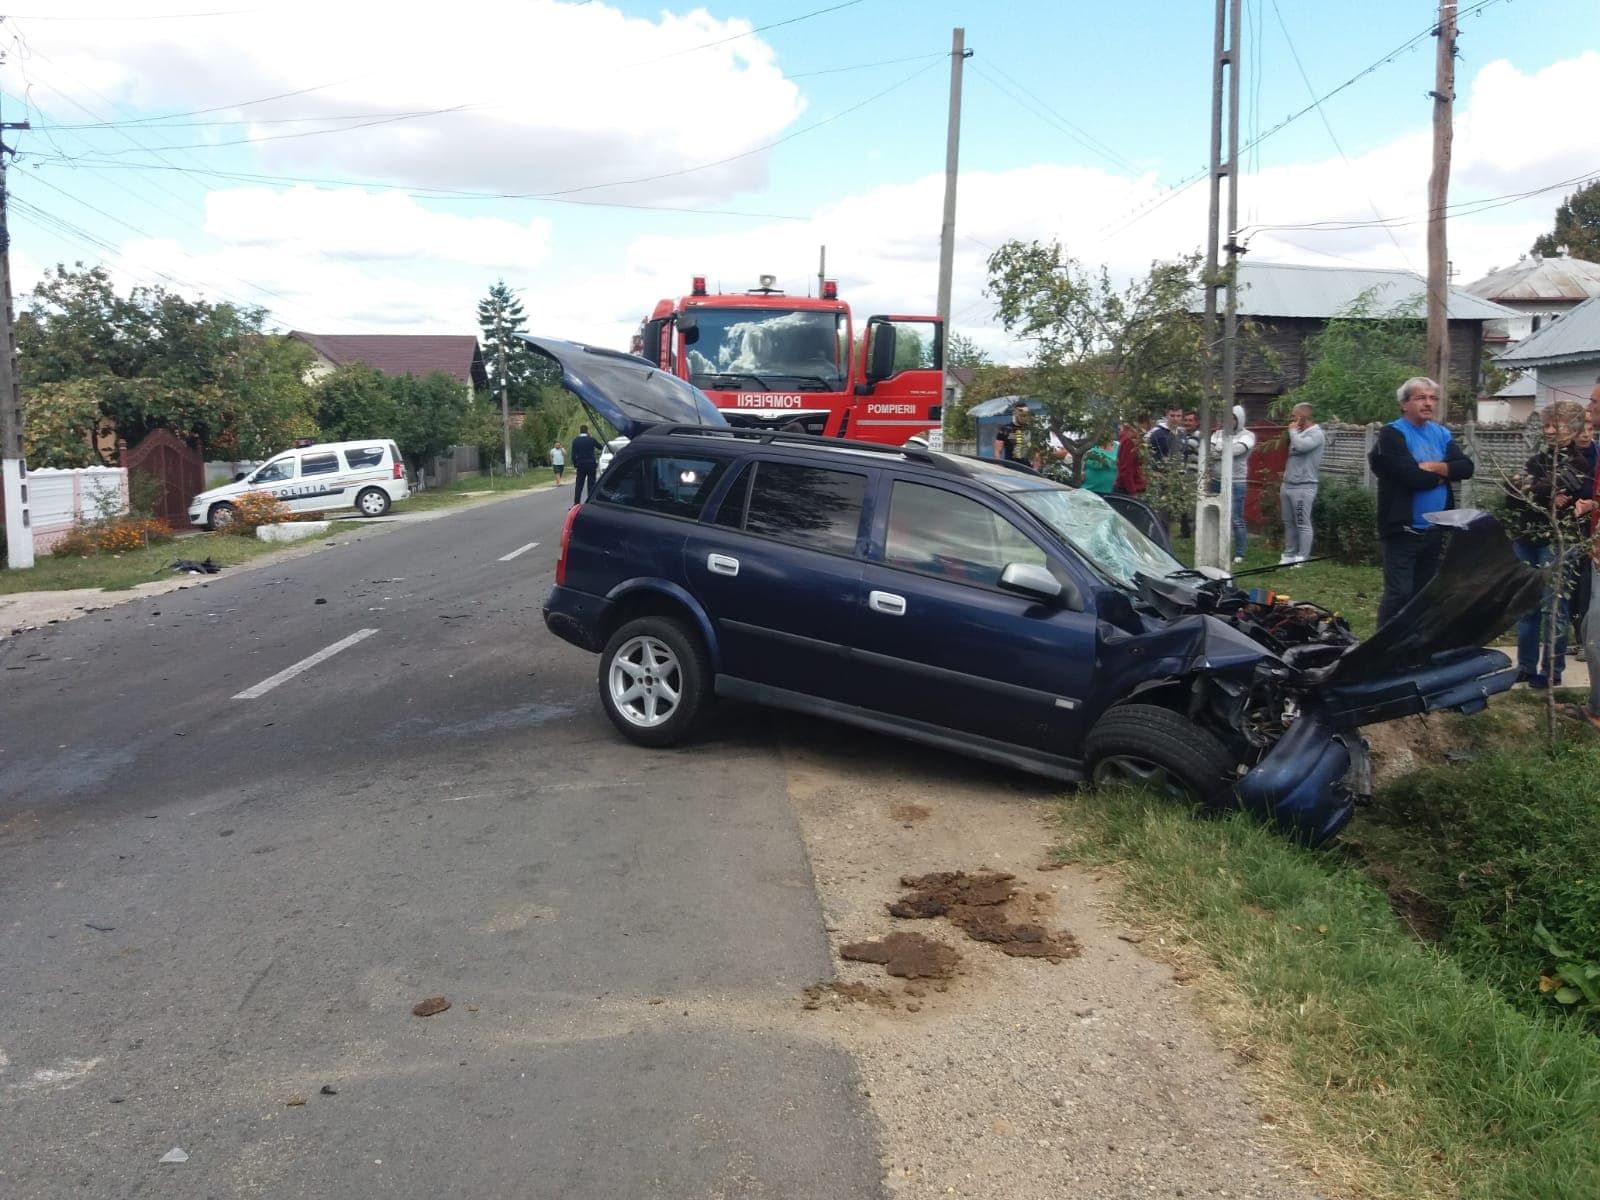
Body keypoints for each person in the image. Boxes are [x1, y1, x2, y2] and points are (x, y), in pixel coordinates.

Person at [1369, 376, 1475, 628]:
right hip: (1403, 531)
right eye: (1421, 398)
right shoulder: (1392, 434)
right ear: (1404, 404)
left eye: (1432, 398)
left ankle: (1412, 647)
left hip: (1434, 530)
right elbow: (1412, 477)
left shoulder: (1441, 433)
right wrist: (1444, 474)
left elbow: (1466, 467)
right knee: (1399, 594)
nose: (1428, 403)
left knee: (1423, 595)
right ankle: (1380, 649)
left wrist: (1435, 467)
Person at [1505, 401, 1592, 688]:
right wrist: (1541, 490)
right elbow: (1510, 495)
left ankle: (1551, 671)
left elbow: (1540, 488)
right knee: (1527, 606)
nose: (1550, 431)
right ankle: (1526, 666)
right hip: (1526, 538)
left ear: (1573, 428)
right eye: (1546, 426)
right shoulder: (1536, 459)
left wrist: (1530, 487)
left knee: (1553, 607)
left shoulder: (1579, 463)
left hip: (1557, 541)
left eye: (1557, 425)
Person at [1208, 404, 1255, 563]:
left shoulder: (1248, 435)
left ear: (1239, 419)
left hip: (1236, 482)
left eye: (1233, 418)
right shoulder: (1217, 433)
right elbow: (1210, 452)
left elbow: (1236, 451)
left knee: (1236, 518)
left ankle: (1240, 553)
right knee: (1216, 516)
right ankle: (1217, 548)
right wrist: (1223, 451)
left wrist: (1220, 450)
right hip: (1216, 480)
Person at [1279, 403, 1325, 565]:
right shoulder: (1298, 433)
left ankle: (1302, 556)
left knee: (1302, 522)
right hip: (1288, 484)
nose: (1291, 419)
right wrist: (1293, 432)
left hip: (1304, 486)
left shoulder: (1316, 434)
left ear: (1304, 417)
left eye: (1294, 416)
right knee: (1288, 522)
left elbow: (1301, 446)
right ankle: (1289, 554)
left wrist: (1292, 431)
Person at [1114, 418, 1147, 496]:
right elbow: (1126, 470)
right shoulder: (1129, 441)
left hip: (1136, 486)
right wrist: (1133, 492)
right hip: (1128, 490)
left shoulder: (1138, 440)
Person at [570, 425, 600, 504]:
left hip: (581, 464)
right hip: (591, 463)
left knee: (579, 484)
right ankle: (590, 503)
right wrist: (591, 437)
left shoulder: (575, 441)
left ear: (580, 431)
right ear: (587, 431)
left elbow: (573, 455)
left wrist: (575, 464)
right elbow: (600, 447)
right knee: (591, 484)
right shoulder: (591, 439)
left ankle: (576, 503)